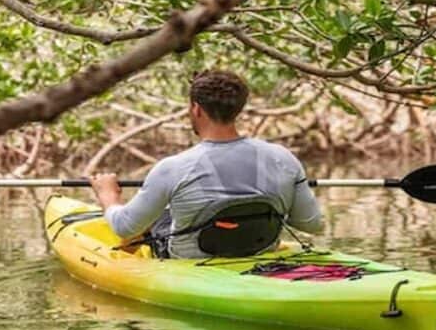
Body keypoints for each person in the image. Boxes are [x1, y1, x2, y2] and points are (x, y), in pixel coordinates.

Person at [90, 70, 322, 258]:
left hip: (190, 263)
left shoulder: (172, 168)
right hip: (260, 251)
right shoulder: (283, 158)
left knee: (154, 218)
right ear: (238, 108)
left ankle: (120, 257)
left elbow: (124, 226)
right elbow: (312, 225)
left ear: (196, 109)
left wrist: (108, 195)